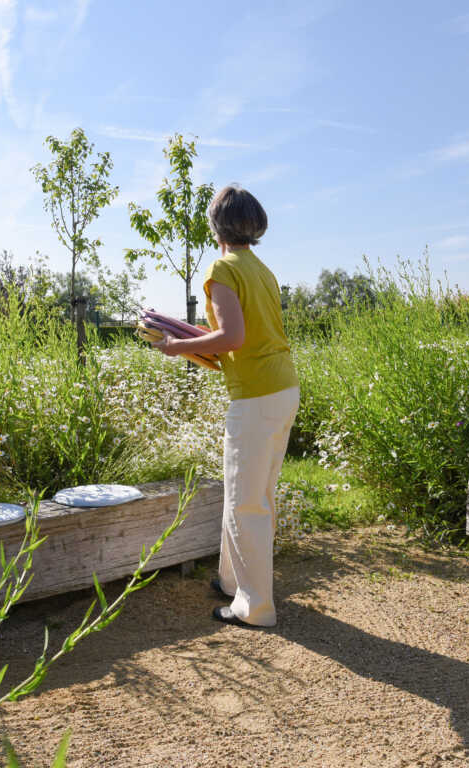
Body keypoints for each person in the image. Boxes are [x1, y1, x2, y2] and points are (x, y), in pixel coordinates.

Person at [152, 184, 301, 627]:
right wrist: (198, 336)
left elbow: (233, 339)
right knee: (255, 495)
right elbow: (247, 333)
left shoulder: (222, 268)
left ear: (215, 226)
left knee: (244, 502)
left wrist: (178, 346)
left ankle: (255, 608)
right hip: (281, 387)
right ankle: (234, 582)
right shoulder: (260, 269)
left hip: (255, 395)